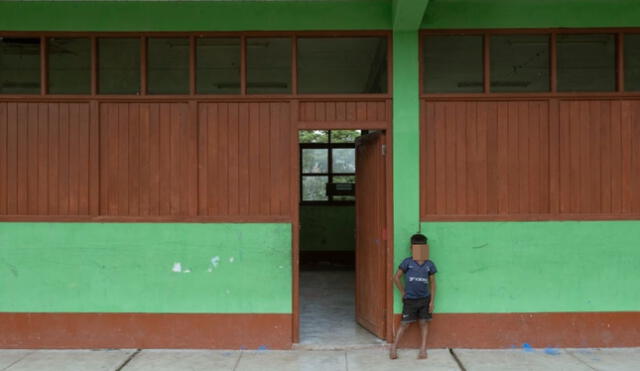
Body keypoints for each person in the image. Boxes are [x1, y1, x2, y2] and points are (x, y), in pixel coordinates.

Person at [389, 233, 437, 360]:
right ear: (412, 249)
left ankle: (423, 349)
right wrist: (403, 292)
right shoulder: (407, 262)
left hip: (424, 299)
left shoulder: (429, 264)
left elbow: (433, 283)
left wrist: (432, 301)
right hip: (410, 300)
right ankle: (394, 347)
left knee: (423, 323)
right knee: (404, 324)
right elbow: (396, 278)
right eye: (416, 248)